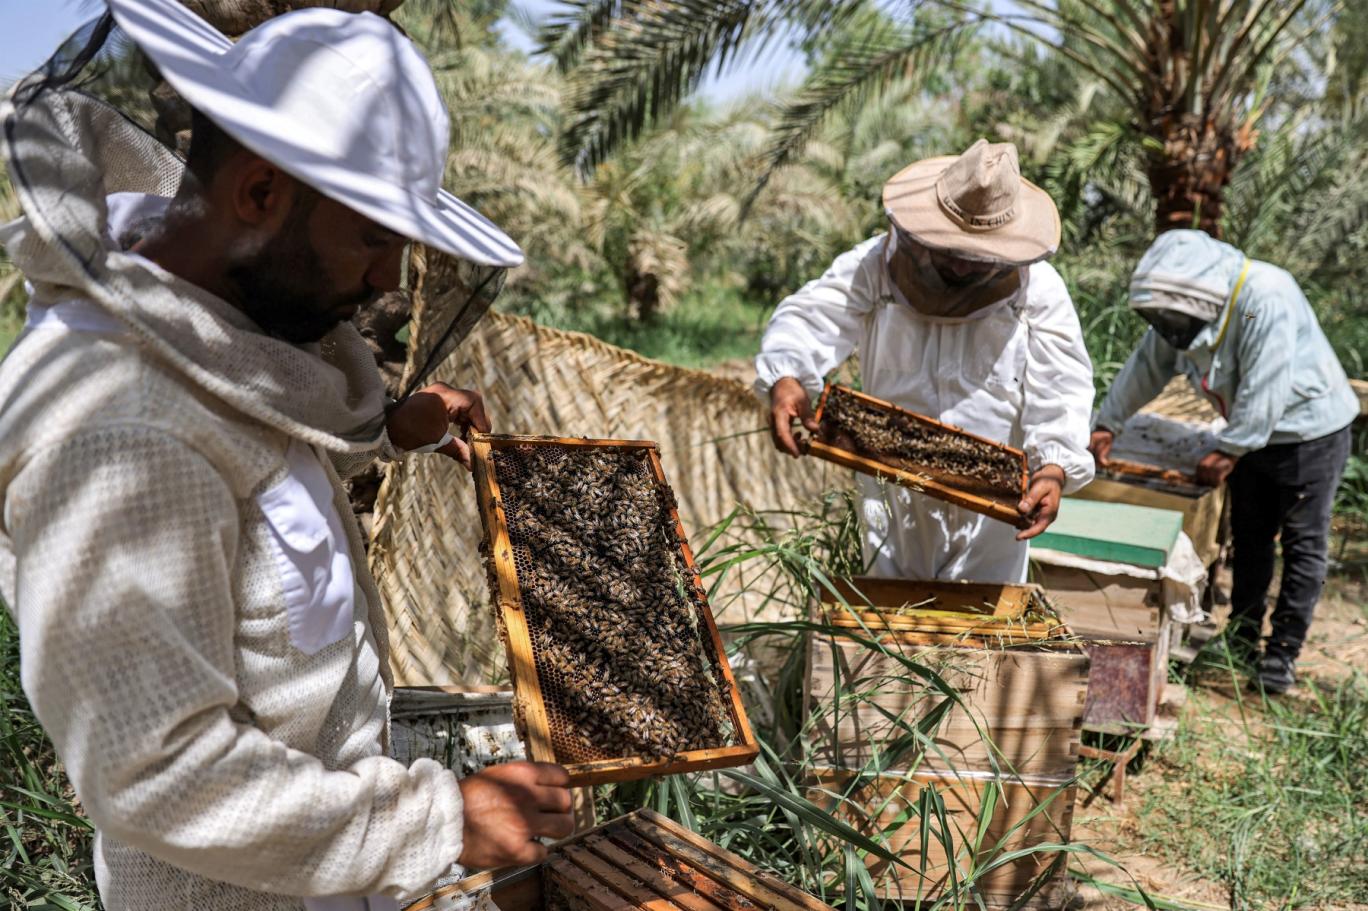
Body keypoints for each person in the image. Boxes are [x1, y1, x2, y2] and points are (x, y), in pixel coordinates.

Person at [0, 2, 573, 908]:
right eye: (376, 239)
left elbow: (243, 531)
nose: (388, 280)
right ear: (261, 194)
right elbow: (158, 771)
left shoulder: (205, 346)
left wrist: (387, 429)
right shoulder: (120, 432)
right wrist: (436, 823)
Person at [756, 140, 1096, 584]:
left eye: (974, 258)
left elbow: (1062, 383)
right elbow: (809, 318)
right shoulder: (874, 265)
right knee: (891, 630)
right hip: (890, 497)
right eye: (948, 251)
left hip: (990, 512)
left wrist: (1053, 466)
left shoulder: (1039, 290)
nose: (958, 267)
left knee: (979, 638)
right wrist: (787, 378)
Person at [1091, 229, 1359, 694]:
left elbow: (1266, 384)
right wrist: (1107, 422)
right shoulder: (1183, 313)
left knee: (1302, 546)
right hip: (1250, 437)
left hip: (1310, 435)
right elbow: (1147, 366)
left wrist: (1229, 449)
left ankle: (1281, 657)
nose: (1167, 324)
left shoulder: (1262, 298)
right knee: (1251, 540)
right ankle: (1241, 638)